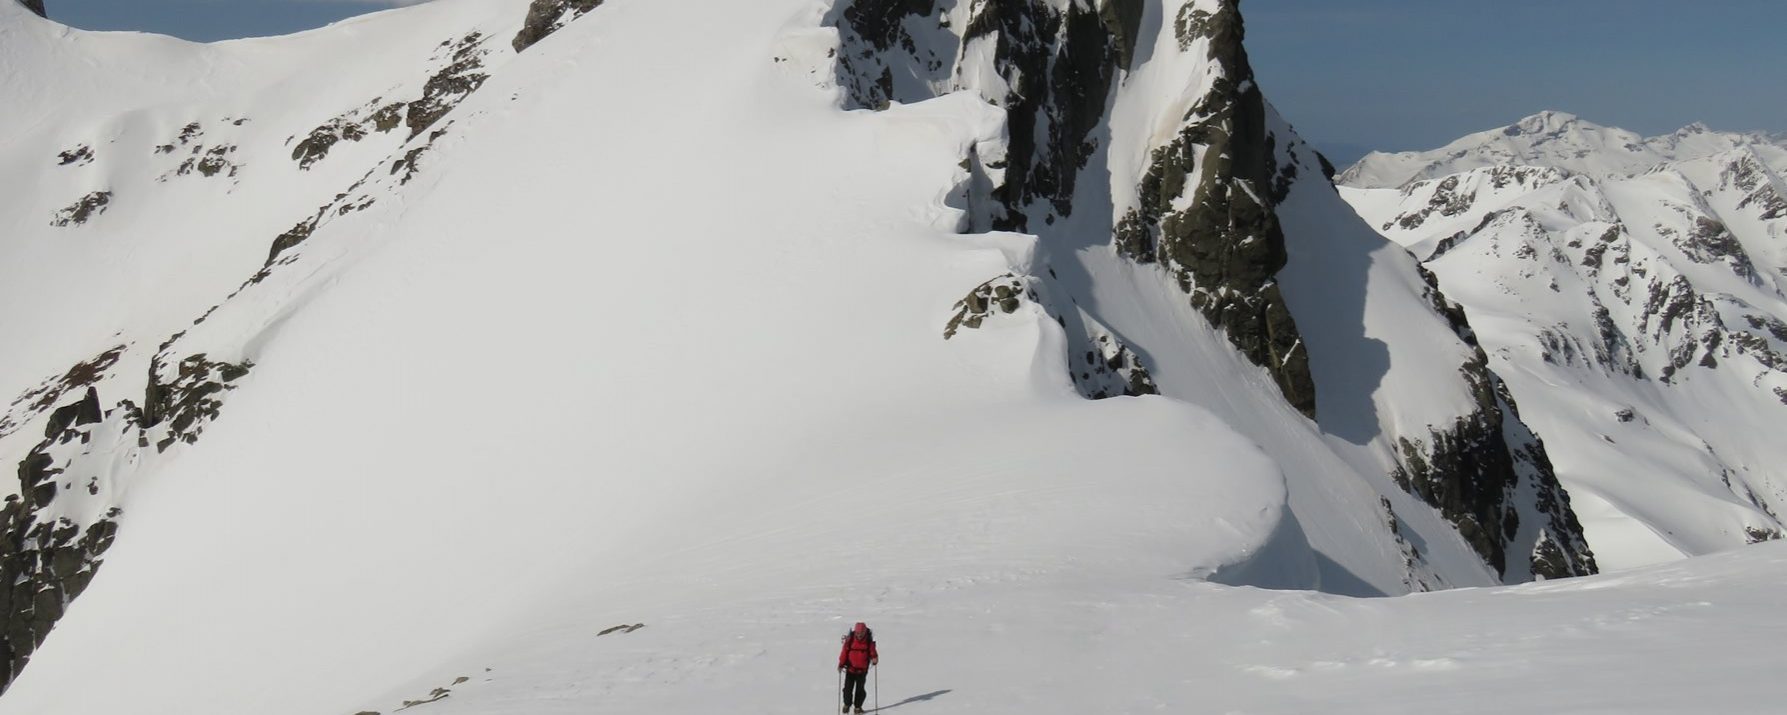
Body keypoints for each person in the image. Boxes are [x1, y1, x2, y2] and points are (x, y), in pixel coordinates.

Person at [837, 621, 878, 714]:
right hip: (850, 669)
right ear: (855, 632)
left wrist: (875, 658)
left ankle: (858, 707)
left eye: (861, 633)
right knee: (847, 689)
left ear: (865, 632)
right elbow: (844, 652)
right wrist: (841, 664)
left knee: (860, 690)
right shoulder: (850, 640)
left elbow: (873, 652)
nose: (859, 635)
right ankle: (847, 704)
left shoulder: (868, 641)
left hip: (862, 671)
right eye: (858, 633)